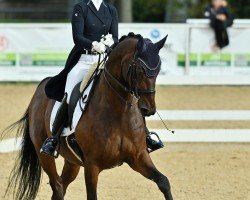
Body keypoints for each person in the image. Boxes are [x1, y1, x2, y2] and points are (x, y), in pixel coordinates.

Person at [41, 0, 164, 157]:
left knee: (128, 90)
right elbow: (77, 37)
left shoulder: (110, 10)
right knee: (70, 92)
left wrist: (110, 41)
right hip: (84, 60)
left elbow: (114, 36)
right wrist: (93, 44)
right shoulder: (81, 7)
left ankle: (145, 135)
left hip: (105, 59)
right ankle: (54, 138)